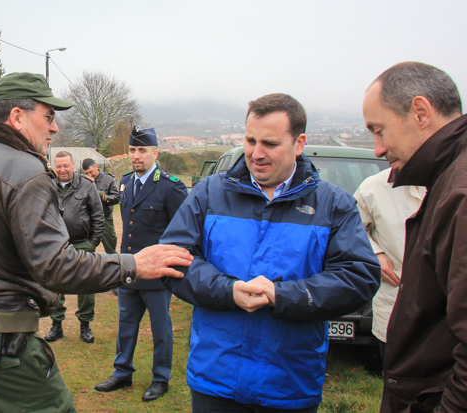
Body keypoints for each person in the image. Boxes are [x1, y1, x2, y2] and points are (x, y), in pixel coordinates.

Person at [0, 72, 192, 413]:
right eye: (48, 116)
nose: (55, 128)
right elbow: (56, 266)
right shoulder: (26, 171)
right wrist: (134, 264)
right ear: (17, 117)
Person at [159, 93, 380, 412]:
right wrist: (227, 290)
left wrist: (283, 295)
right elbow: (172, 258)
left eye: (270, 144)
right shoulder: (210, 193)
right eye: (250, 140)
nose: (256, 153)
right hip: (216, 379)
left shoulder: (334, 204)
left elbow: (359, 277)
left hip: (289, 383)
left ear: (299, 143)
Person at [362, 62, 467, 412]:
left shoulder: (459, 193)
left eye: (380, 130)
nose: (377, 149)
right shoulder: (447, 177)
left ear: (420, 112)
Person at [95, 126, 187, 402]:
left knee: (161, 330)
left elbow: (183, 231)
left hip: (158, 274)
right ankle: (122, 372)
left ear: (155, 153)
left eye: (142, 151)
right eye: (133, 150)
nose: (136, 156)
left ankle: (161, 378)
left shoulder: (171, 186)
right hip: (130, 271)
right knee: (126, 325)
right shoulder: (124, 182)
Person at [352, 168, 424, 364]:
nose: (379, 150)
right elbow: (351, 226)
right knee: (397, 382)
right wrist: (374, 253)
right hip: (394, 304)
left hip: (447, 314)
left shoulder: (452, 179)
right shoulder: (374, 187)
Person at [43, 151, 104, 344]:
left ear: (73, 165)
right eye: (58, 166)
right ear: (54, 166)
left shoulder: (87, 186)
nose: (62, 170)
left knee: (85, 287)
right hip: (56, 246)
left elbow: (98, 216)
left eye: (66, 166)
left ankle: (85, 324)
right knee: (55, 286)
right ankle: (57, 325)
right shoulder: (48, 187)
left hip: (82, 244)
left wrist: (92, 243)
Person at [82, 158, 120, 295]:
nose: (89, 175)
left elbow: (116, 197)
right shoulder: (83, 180)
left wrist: (103, 197)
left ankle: (115, 281)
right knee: (87, 250)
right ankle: (87, 280)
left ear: (96, 167)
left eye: (91, 172)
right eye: (87, 173)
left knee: (111, 250)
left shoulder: (108, 180)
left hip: (105, 219)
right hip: (88, 220)